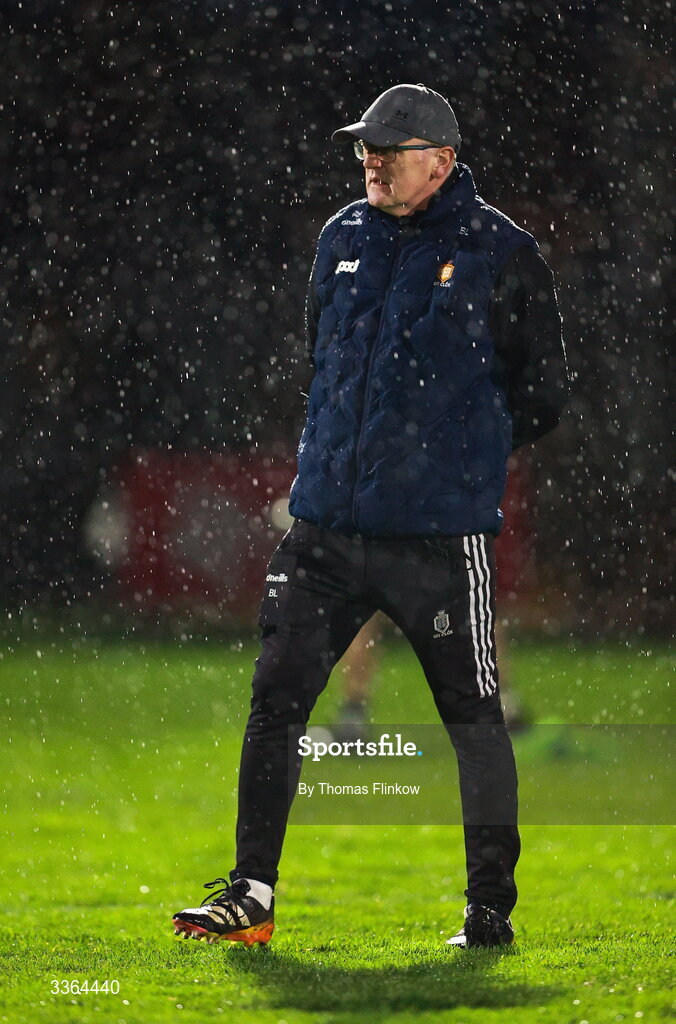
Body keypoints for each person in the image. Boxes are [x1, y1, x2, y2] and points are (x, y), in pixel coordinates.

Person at [173, 83, 568, 949]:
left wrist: (451, 458)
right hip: (323, 529)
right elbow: (324, 357)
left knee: (474, 720)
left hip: (436, 537)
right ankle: (251, 895)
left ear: (443, 161)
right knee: (275, 699)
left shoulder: (502, 252)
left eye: (390, 148)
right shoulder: (342, 237)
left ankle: (487, 911)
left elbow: (543, 396)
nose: (371, 161)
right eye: (366, 147)